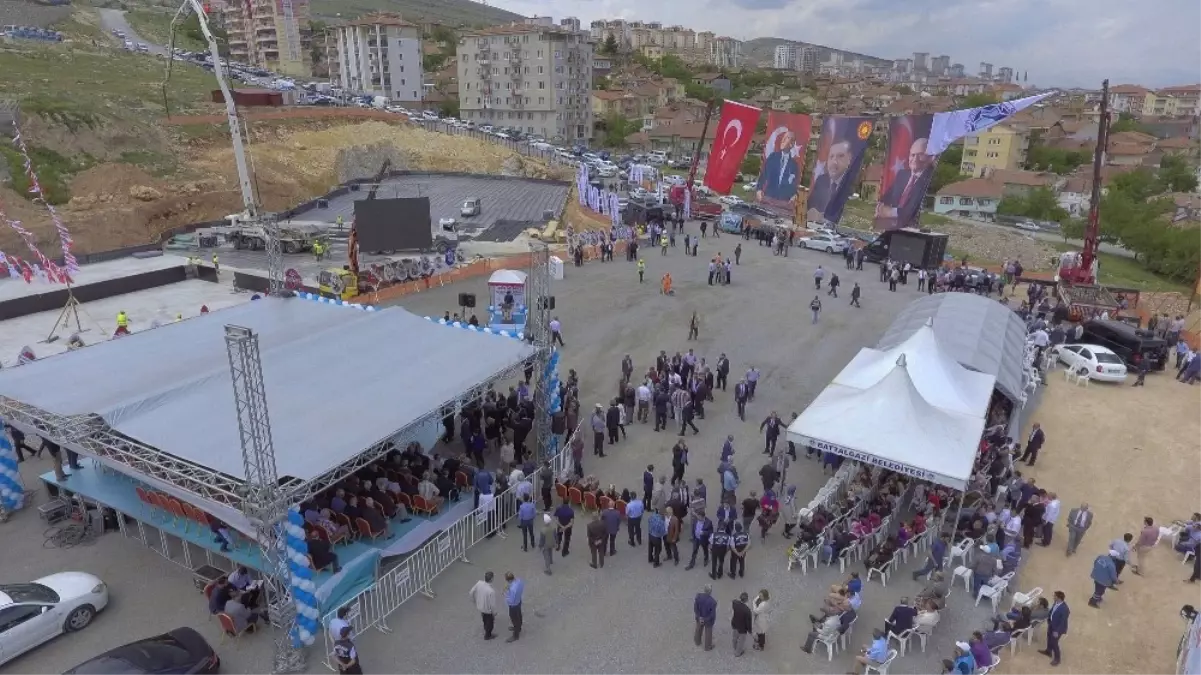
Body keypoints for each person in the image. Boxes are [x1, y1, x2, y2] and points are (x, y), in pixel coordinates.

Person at [876, 137, 932, 227]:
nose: (915, 159)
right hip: (890, 225)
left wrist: (891, 212)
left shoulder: (929, 179)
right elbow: (887, 196)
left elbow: (912, 209)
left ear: (930, 158)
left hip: (910, 228)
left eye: (921, 155)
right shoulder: (902, 174)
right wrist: (880, 207)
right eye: (912, 155)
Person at [757, 129, 800, 202]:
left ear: (792, 144)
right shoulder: (772, 157)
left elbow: (794, 184)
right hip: (768, 198)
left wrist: (794, 195)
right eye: (783, 138)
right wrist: (759, 189)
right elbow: (763, 175)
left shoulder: (794, 165)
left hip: (784, 201)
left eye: (786, 138)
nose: (782, 140)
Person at [1039, 590, 1070, 666]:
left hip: (1057, 629)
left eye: (1055, 596)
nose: (1053, 597)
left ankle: (1057, 659)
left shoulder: (1064, 609)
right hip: (1051, 625)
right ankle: (1048, 651)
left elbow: (1062, 622)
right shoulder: (1056, 603)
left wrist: (1057, 631)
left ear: (1059, 598)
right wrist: (1049, 620)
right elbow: (1052, 611)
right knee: (1049, 638)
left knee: (1054, 643)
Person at [469, 572, 498, 640]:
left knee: (484, 619)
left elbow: (471, 592)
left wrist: (474, 601)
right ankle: (488, 635)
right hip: (487, 610)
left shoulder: (479, 583)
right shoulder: (491, 591)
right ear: (491, 579)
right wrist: (494, 612)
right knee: (490, 622)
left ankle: (485, 628)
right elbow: (492, 604)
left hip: (480, 606)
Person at [693, 584, 717, 650]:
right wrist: (705, 619)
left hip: (699, 618)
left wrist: (699, 617)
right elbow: (712, 615)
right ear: (710, 591)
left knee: (698, 629)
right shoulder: (713, 602)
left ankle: (697, 641)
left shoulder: (698, 597)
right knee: (708, 633)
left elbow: (695, 608)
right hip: (708, 621)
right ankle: (707, 646)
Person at [731, 591, 753, 656]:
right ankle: (738, 652)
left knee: (735, 637)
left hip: (735, 623)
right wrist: (750, 630)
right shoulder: (747, 610)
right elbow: (748, 622)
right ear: (746, 600)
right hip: (742, 628)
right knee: (741, 640)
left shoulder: (735, 603)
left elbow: (733, 601)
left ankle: (734, 646)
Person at [504, 572, 524, 642]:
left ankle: (516, 635)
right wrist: (509, 586)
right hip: (519, 601)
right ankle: (519, 628)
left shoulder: (512, 589)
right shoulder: (519, 581)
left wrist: (505, 594)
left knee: (514, 619)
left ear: (508, 580)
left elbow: (511, 600)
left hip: (513, 605)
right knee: (519, 615)